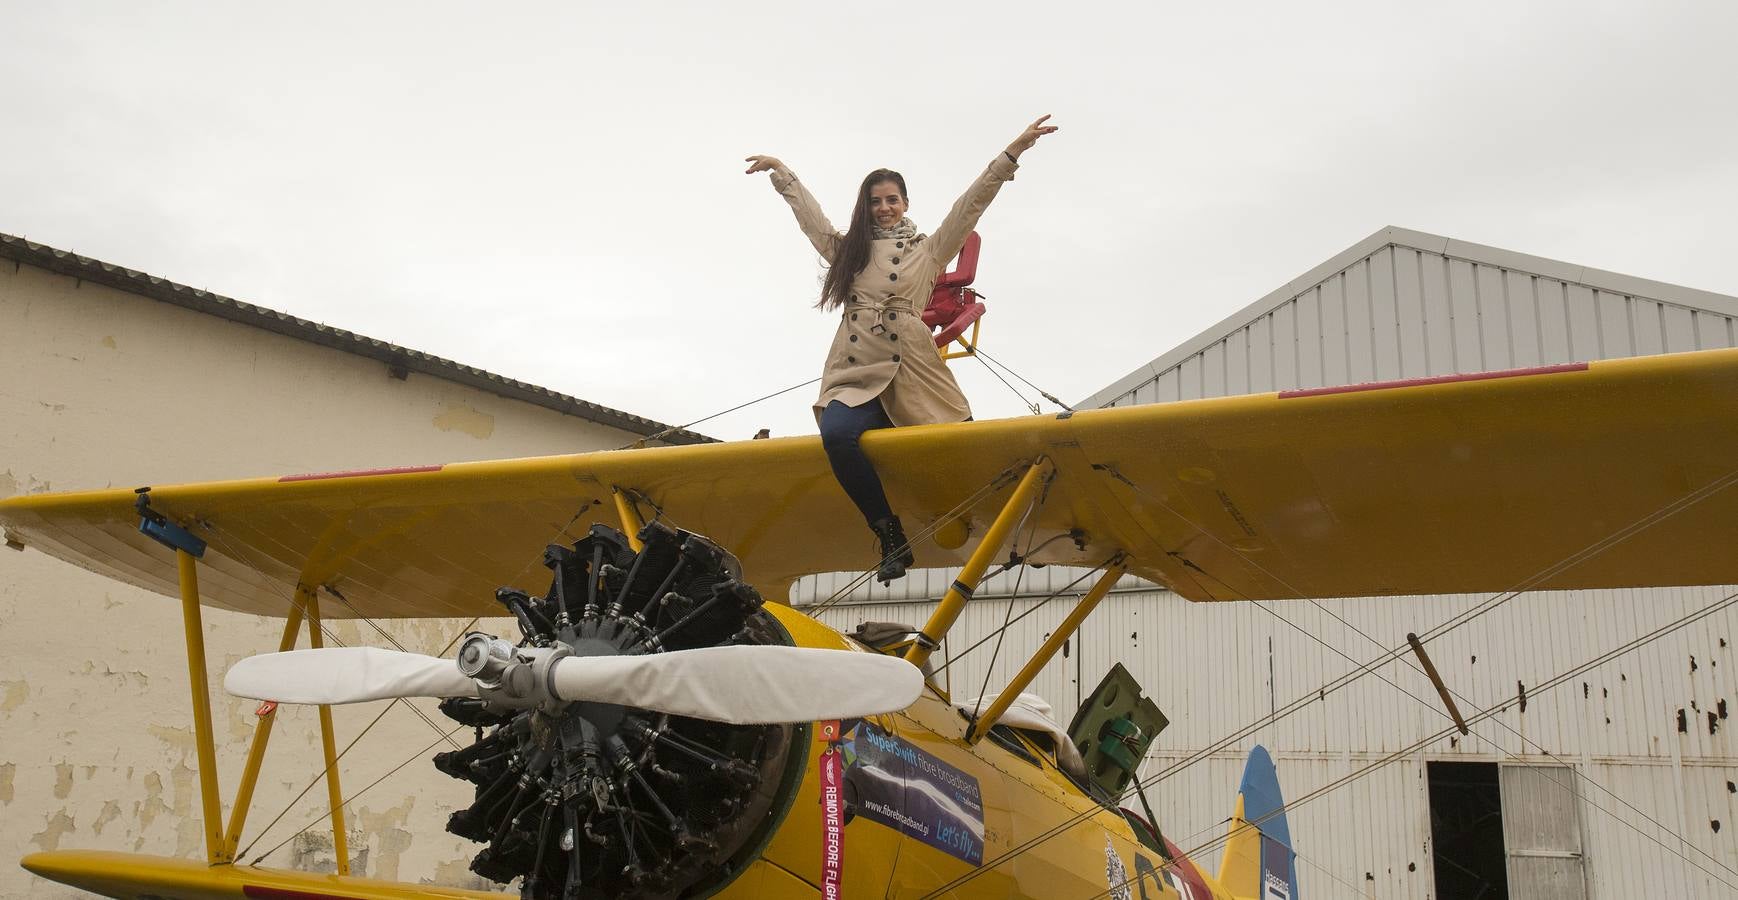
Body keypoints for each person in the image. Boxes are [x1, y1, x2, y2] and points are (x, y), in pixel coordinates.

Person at [746, 115, 1059, 583]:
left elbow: (971, 205)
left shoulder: (929, 250)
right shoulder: (848, 251)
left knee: (963, 446)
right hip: (856, 372)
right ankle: (889, 534)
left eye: (892, 200)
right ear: (866, 207)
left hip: (913, 370)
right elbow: (811, 223)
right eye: (876, 202)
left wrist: (1012, 152)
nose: (884, 208)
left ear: (906, 202)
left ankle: (1010, 528)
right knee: (836, 435)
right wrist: (783, 175)